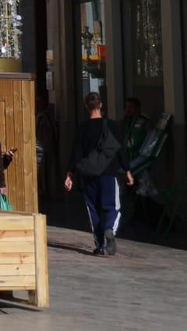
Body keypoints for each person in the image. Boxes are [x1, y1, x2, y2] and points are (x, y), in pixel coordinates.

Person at [64, 91, 133, 256]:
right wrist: (128, 171)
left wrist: (70, 174)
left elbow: (76, 152)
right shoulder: (112, 125)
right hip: (109, 173)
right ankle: (110, 228)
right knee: (112, 207)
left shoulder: (83, 128)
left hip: (89, 175)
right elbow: (121, 150)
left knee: (93, 208)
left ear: (86, 107)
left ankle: (100, 245)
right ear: (100, 105)